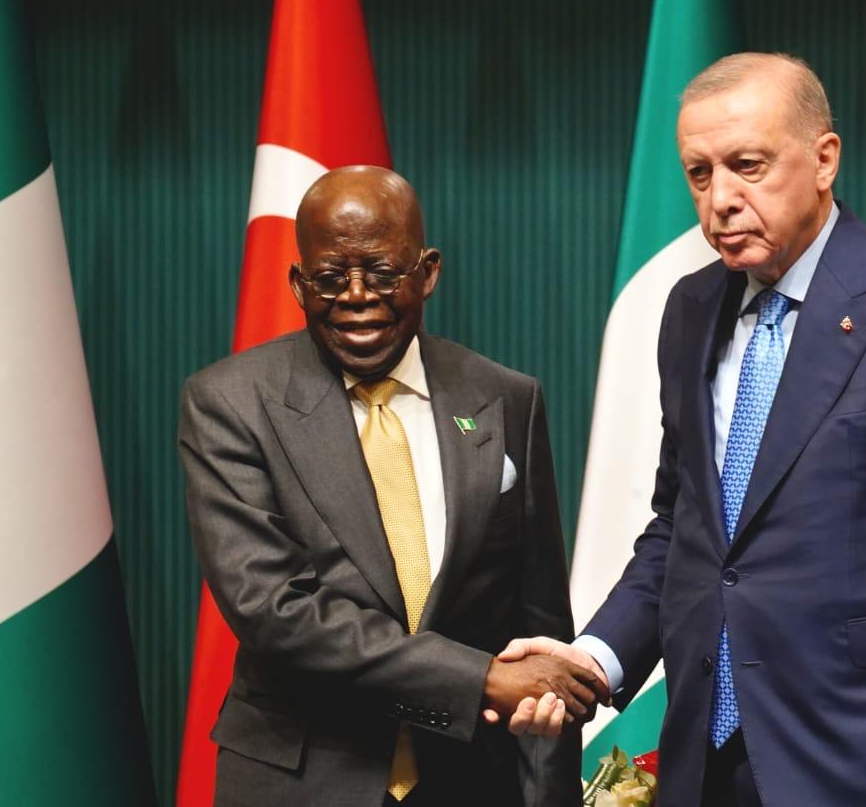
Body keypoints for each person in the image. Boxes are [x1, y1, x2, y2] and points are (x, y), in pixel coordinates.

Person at [502, 53, 866, 806]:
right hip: (707, 764)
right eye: (700, 174)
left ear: (825, 159)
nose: (720, 201)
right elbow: (685, 529)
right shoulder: (690, 309)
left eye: (748, 166)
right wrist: (593, 660)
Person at [179, 165, 604, 806]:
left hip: (472, 782)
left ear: (427, 273)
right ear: (297, 284)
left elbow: (539, 619)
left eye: (382, 272)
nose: (356, 296)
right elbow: (275, 611)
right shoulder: (231, 403)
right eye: (330, 277)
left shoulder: (505, 398)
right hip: (301, 781)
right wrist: (481, 678)